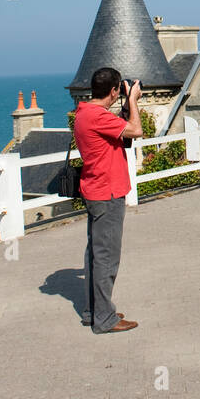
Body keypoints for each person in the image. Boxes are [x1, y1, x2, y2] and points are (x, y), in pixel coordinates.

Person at [74, 67, 143, 333]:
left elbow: (119, 131)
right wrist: (134, 100)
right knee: (106, 257)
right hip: (108, 193)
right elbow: (135, 130)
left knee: (95, 253)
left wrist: (126, 103)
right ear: (114, 91)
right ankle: (104, 319)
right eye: (119, 91)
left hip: (95, 190)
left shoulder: (86, 113)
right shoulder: (96, 117)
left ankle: (94, 311)